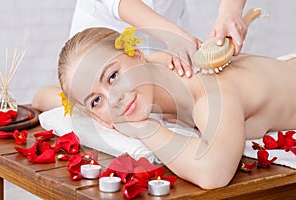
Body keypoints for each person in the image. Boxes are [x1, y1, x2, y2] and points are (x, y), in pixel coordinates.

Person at [33, 27, 296, 189]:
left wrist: (146, 130)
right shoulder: (148, 72)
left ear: (134, 51)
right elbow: (43, 96)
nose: (114, 99)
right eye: (96, 100)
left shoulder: (208, 95)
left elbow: (212, 172)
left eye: (112, 76)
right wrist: (93, 110)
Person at [70, 0, 247, 77]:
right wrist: (173, 35)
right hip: (105, 36)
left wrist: (230, 12)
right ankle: (40, 99)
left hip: (170, 22)